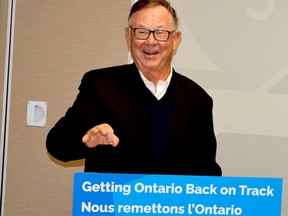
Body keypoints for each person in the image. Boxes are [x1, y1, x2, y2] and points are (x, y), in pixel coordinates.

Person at [46, 0, 222, 176]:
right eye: (142, 32)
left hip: (173, 203)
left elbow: (208, 172)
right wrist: (86, 139)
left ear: (175, 40)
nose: (150, 41)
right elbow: (57, 146)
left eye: (160, 33)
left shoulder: (198, 99)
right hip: (113, 203)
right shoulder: (100, 86)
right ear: (128, 36)